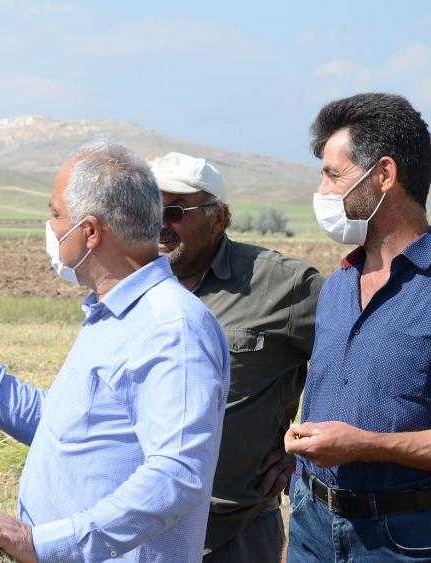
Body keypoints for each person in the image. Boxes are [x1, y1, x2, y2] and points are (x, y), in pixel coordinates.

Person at [0, 141, 230, 562]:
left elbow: (176, 476)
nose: (50, 225)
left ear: (91, 231)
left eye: (56, 214)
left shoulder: (172, 327)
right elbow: (60, 427)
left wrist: (43, 544)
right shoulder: (111, 315)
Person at [150, 152, 322, 562]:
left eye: (173, 211)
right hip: (139, 529)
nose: (158, 223)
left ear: (219, 218)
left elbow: (356, 357)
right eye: (148, 208)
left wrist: (305, 444)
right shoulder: (129, 283)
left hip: (232, 533)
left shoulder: (282, 286)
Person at [285, 92, 431, 561]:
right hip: (311, 519)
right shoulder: (339, 283)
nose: (322, 191)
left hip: (400, 538)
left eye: (333, 174)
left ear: (384, 175)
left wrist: (367, 445)